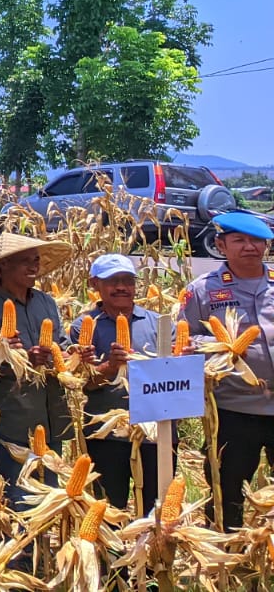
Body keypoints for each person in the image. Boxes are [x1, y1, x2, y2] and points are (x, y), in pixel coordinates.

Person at [176, 211, 274, 528]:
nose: (250, 247)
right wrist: (216, 344)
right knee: (227, 490)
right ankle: (226, 550)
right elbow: (183, 337)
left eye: (257, 240)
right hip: (233, 409)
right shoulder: (203, 290)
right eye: (239, 240)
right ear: (221, 245)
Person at [0, 233, 74, 498]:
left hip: (51, 415)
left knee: (49, 495)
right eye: (25, 261)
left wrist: (70, 356)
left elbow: (61, 344)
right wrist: (20, 360)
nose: (33, 267)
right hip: (12, 420)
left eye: (36, 260)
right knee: (16, 497)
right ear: (3, 265)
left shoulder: (45, 302)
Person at [67, 253, 162, 512]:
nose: (122, 287)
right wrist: (110, 366)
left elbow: (174, 371)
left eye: (127, 280)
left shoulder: (158, 323)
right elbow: (82, 384)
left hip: (155, 433)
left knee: (156, 509)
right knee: (108, 508)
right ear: (94, 284)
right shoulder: (83, 327)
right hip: (106, 434)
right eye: (113, 281)